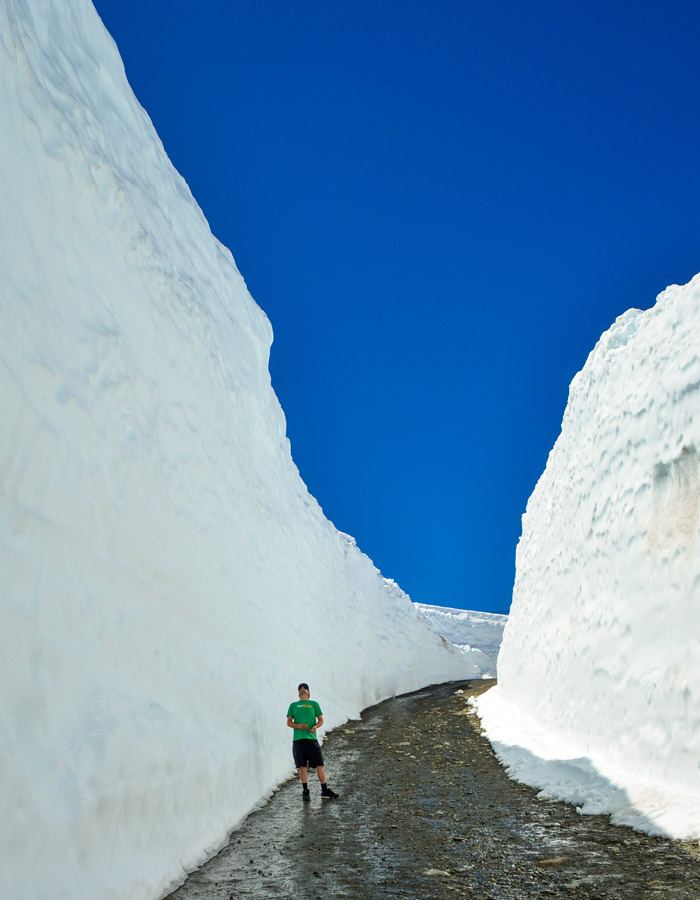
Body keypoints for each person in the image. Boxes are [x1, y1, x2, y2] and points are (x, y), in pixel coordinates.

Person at [286, 683, 339, 801]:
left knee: (319, 763)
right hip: (298, 740)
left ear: (309, 693)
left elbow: (321, 720)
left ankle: (324, 789)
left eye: (305, 688)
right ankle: (305, 791)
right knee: (302, 765)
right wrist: (299, 726)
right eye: (300, 689)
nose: (302, 690)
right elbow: (289, 722)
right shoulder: (293, 706)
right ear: (298, 693)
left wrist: (315, 727)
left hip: (311, 739)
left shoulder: (314, 704)